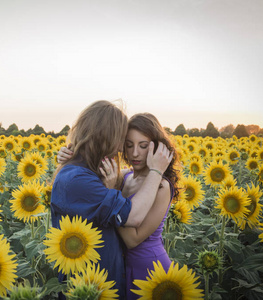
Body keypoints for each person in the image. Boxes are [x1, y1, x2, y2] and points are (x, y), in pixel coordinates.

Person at [51, 101, 173, 299]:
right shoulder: (118, 177)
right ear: (105, 137)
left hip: (148, 267)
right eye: (126, 143)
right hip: (102, 278)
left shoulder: (160, 185)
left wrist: (156, 172)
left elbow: (133, 236)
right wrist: (68, 158)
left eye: (143, 146)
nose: (129, 152)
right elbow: (128, 213)